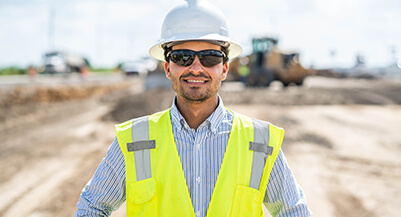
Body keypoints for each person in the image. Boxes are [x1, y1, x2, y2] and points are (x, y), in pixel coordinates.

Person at [75, 0, 312, 216]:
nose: (196, 68)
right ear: (167, 68)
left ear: (225, 68)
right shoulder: (134, 141)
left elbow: (294, 212)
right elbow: (92, 206)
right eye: (183, 57)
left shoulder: (260, 144)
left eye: (209, 57)